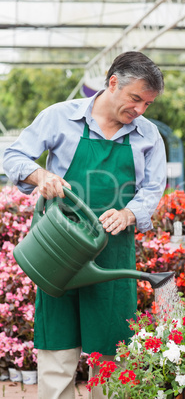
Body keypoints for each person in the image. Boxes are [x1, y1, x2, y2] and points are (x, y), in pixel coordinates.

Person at [3, 51, 166, 399]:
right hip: (58, 249)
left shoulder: (148, 136)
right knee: (58, 349)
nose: (140, 110)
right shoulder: (60, 117)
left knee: (111, 354)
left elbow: (152, 190)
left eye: (147, 104)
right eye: (135, 98)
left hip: (113, 252)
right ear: (112, 83)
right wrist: (41, 175)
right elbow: (12, 157)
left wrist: (129, 214)